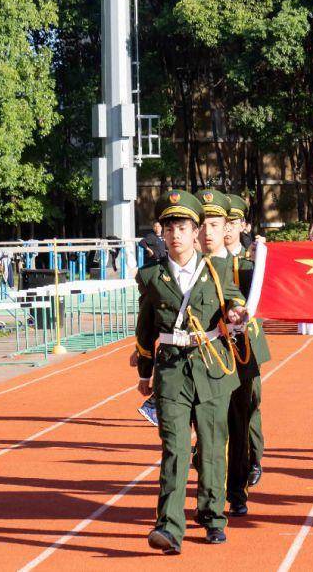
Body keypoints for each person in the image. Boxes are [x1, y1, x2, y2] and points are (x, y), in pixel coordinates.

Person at [134, 190, 249, 554]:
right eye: (169, 228)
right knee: (175, 448)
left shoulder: (215, 269)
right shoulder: (151, 276)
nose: (174, 234)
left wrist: (234, 313)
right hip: (171, 371)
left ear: (196, 231)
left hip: (211, 365)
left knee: (213, 447)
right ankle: (168, 527)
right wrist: (145, 373)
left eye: (182, 227)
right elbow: (146, 326)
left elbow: (235, 300)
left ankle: (213, 516)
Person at [223, 193, 272, 514]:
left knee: (249, 408)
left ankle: (252, 460)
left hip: (247, 346)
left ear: (243, 225)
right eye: (219, 223)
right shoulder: (206, 261)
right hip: (215, 349)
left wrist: (264, 259)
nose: (226, 229)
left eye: (232, 222)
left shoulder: (252, 264)